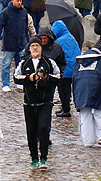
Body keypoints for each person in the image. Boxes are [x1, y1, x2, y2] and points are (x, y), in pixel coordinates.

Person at [14, 36, 60, 169]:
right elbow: (16, 77)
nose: (35, 48)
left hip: (45, 102)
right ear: (29, 48)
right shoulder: (24, 63)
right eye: (33, 46)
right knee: (31, 131)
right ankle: (34, 158)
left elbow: (58, 77)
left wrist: (46, 77)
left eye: (37, 46)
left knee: (43, 128)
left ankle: (44, 158)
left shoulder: (48, 62)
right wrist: (29, 78)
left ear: (41, 48)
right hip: (29, 103)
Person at [73, 46, 101, 147]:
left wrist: (75, 97)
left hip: (81, 90)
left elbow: (74, 79)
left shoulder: (78, 62)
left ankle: (88, 141)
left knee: (85, 116)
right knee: (99, 113)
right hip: (97, 89)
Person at [0, 0, 30, 93]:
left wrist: (27, 40)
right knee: (6, 64)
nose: (19, 3)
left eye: (21, 1)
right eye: (18, 1)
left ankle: (19, 81)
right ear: (12, 1)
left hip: (21, 43)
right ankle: (5, 84)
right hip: (9, 43)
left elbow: (26, 27)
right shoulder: (6, 12)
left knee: (21, 64)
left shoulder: (24, 12)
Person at [51, 20, 80, 118]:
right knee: (68, 89)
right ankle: (66, 107)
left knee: (63, 91)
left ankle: (66, 110)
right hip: (74, 68)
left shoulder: (59, 41)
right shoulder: (71, 37)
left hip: (65, 69)